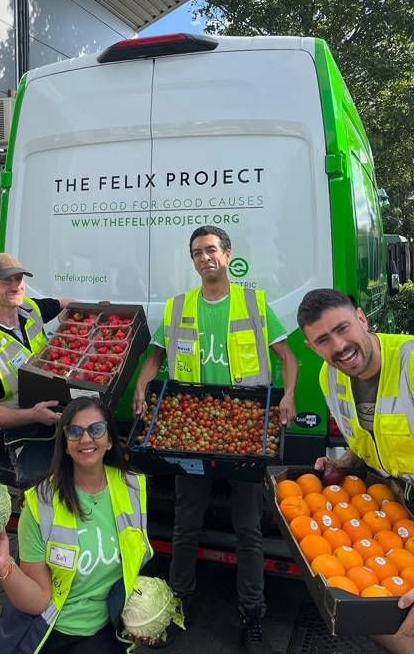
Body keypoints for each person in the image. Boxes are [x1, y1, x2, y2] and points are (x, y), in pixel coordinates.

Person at [132, 226, 298, 654]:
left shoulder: (254, 303)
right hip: (193, 435)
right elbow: (154, 357)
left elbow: (288, 358)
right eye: (196, 253)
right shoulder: (178, 307)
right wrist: (141, 386)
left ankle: (252, 615)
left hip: (245, 430)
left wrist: (290, 396)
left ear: (226, 255)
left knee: (249, 531)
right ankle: (176, 604)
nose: (204, 258)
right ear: (193, 261)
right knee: (187, 526)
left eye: (210, 250)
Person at [297, 288, 414, 654]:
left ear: (361, 318)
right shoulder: (332, 378)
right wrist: (342, 463)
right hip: (396, 507)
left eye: (343, 328)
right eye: (324, 340)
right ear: (312, 347)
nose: (340, 346)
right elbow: (370, 436)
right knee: (367, 609)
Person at [0, 395, 154, 653]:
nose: (86, 439)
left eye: (96, 429)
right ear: (65, 445)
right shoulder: (40, 503)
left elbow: (133, 565)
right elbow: (37, 601)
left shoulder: (132, 487)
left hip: (104, 629)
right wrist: (4, 565)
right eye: (74, 431)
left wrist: (138, 615)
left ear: (110, 440)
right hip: (52, 631)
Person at [0, 253, 73, 490]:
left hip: (64, 418)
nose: (16, 286)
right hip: (25, 432)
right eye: (6, 281)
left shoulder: (31, 309)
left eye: (19, 279)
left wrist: (73, 328)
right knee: (42, 495)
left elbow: (66, 304)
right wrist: (33, 415)